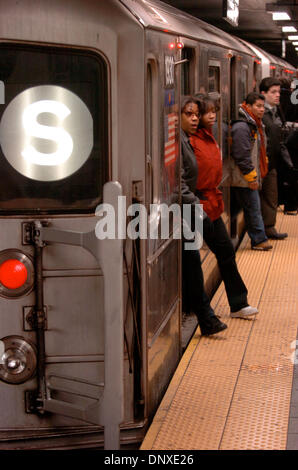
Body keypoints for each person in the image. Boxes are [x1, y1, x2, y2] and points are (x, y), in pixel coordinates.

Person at [190, 93, 258, 319]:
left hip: (212, 203)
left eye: (213, 112)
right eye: (207, 112)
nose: (212, 116)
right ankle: (202, 310)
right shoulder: (191, 140)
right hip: (197, 205)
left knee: (226, 252)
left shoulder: (209, 136)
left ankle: (238, 303)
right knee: (194, 260)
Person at [180, 96, 227, 335]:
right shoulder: (178, 142)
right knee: (192, 266)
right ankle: (206, 319)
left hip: (189, 211)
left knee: (192, 264)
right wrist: (197, 203)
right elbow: (178, 182)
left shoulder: (186, 140)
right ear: (177, 116)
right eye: (189, 114)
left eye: (196, 113)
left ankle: (203, 316)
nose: (195, 118)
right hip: (185, 211)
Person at [230, 92, 272, 251]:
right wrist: (252, 177)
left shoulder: (254, 123)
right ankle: (259, 240)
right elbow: (241, 155)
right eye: (258, 106)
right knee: (253, 207)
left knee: (238, 207)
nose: (261, 110)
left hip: (246, 176)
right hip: (244, 177)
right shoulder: (242, 127)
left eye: (263, 106)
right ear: (247, 106)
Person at [259, 77, 289, 239]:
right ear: (263, 94)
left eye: (278, 92)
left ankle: (268, 227)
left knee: (271, 195)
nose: (277, 95)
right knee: (265, 196)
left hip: (272, 163)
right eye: (273, 92)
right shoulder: (262, 113)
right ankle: (264, 230)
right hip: (264, 163)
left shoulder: (274, 112)